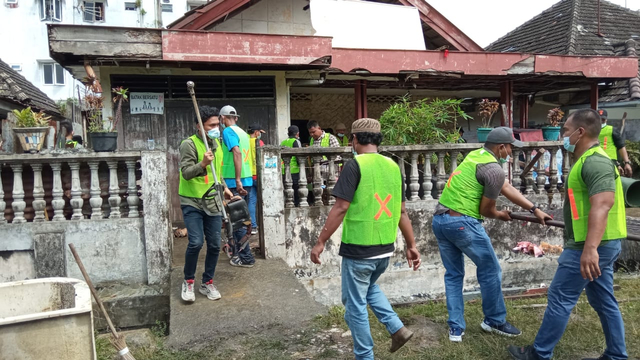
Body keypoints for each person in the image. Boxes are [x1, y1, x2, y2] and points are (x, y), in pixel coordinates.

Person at [508, 109, 628, 360]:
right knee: (604, 301)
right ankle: (616, 355)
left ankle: (539, 354)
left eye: (565, 131)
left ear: (580, 132)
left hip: (590, 246)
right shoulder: (586, 161)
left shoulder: (595, 161)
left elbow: (602, 205)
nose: (563, 135)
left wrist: (590, 249)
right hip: (600, 244)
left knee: (560, 296)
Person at [310, 118, 421, 360]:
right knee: (368, 288)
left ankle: (364, 355)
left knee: (354, 304)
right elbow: (401, 211)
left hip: (359, 250)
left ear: (356, 139)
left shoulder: (354, 165)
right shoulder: (393, 166)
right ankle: (397, 329)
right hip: (384, 250)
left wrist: (320, 241)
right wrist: (411, 246)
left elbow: (340, 207)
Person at [433, 127, 552, 343]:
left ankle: (456, 330)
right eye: (509, 149)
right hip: (462, 223)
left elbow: (505, 186)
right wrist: (501, 215)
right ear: (501, 147)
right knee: (490, 270)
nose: (511, 153)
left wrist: (534, 209)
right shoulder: (494, 169)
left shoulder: (475, 155)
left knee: (453, 274)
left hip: (440, 219)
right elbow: (486, 210)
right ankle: (494, 321)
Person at [179, 106, 236, 302]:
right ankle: (188, 281)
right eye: (211, 125)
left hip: (213, 200)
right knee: (195, 242)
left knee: (214, 245)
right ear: (199, 126)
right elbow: (186, 173)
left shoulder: (216, 144)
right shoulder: (189, 145)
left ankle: (207, 282)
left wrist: (226, 189)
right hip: (192, 201)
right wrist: (202, 164)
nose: (216, 128)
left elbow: (217, 173)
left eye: (217, 124)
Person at [220, 105, 256, 268]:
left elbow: (236, 152)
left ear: (222, 118)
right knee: (242, 220)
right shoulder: (242, 132)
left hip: (235, 182)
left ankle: (246, 257)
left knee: (237, 222)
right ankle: (238, 253)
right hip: (246, 180)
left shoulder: (228, 132)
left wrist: (237, 179)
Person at [598, 109, 633, 177]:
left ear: (606, 120)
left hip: (610, 163)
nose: (601, 121)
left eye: (603, 119)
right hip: (594, 162)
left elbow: (621, 146)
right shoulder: (590, 131)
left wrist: (627, 163)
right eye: (599, 119)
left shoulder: (612, 130)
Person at [247, 123, 265, 235]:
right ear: (256, 132)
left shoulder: (244, 142)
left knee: (251, 201)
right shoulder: (259, 142)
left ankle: (253, 226)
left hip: (249, 175)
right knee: (265, 200)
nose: (260, 134)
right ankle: (266, 224)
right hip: (259, 175)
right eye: (259, 132)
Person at [281, 125, 302, 207]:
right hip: (294, 169)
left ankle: (287, 204)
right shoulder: (296, 141)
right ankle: (296, 204)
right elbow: (299, 156)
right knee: (296, 189)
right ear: (297, 133)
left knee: (287, 189)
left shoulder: (283, 142)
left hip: (284, 170)